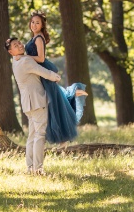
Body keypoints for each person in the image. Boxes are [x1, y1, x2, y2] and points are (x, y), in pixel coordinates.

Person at [25, 12, 88, 143]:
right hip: (40, 70)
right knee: (54, 97)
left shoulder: (38, 38)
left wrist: (25, 58)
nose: (34, 25)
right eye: (32, 22)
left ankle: (61, 134)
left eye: (37, 23)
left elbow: (41, 58)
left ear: (42, 25)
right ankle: (74, 93)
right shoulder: (35, 37)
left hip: (43, 70)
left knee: (53, 101)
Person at [6, 37, 61, 174]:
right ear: (11, 52)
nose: (19, 45)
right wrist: (57, 77)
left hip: (28, 104)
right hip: (37, 102)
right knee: (40, 135)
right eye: (15, 45)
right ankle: (38, 169)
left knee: (32, 136)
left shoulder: (16, 62)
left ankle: (30, 167)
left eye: (19, 42)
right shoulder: (26, 61)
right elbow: (44, 73)